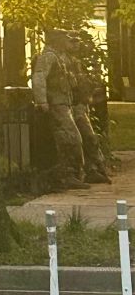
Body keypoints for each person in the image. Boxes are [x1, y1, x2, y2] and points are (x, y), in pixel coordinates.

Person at [31, 29, 89, 190]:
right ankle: (67, 175)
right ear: (56, 40)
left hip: (64, 103)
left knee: (71, 138)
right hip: (56, 105)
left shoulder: (60, 57)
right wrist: (42, 101)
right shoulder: (49, 56)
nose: (67, 41)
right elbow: (39, 76)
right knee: (71, 138)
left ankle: (71, 174)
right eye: (65, 38)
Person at [65, 32, 110, 184]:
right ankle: (75, 172)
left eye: (77, 42)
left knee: (90, 138)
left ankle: (93, 169)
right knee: (74, 139)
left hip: (80, 105)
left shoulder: (75, 61)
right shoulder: (59, 60)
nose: (76, 45)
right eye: (72, 42)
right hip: (69, 105)